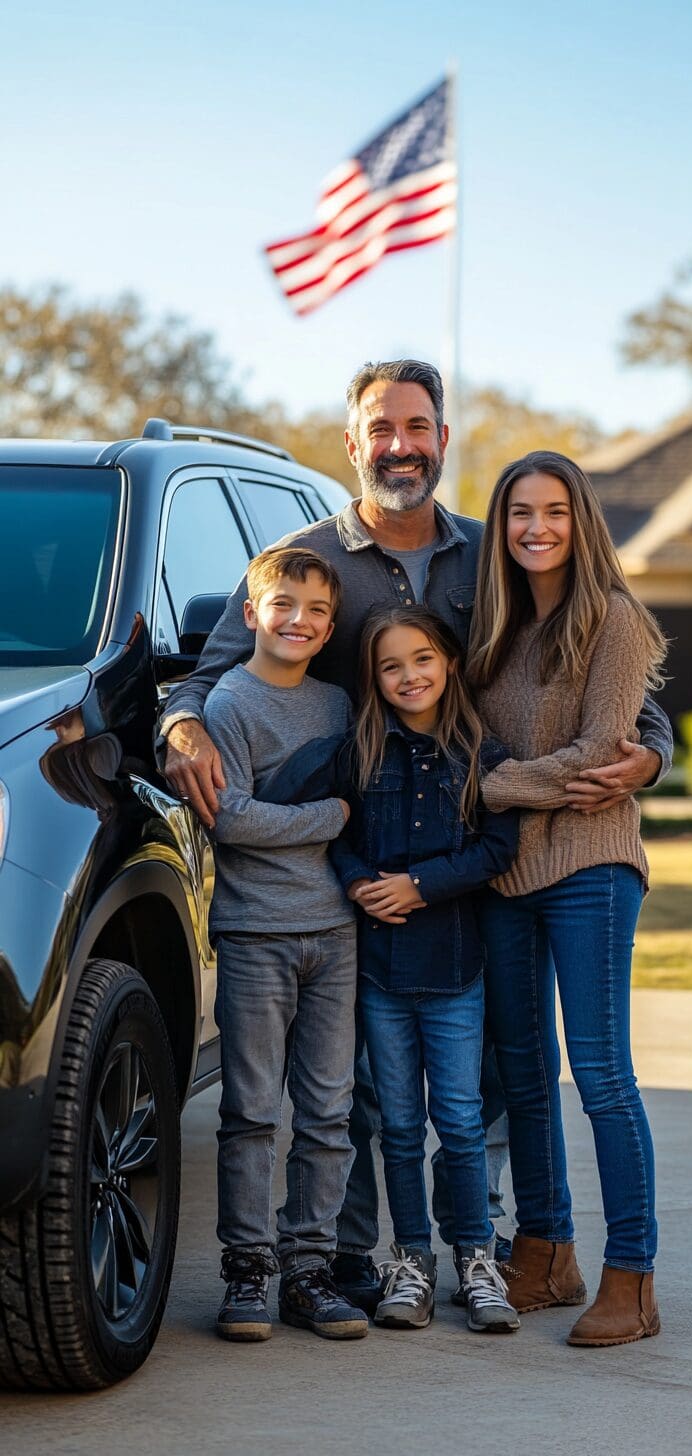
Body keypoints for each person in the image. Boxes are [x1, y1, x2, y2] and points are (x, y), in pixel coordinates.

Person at [158, 360, 673, 1311]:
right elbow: (208, 673)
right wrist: (180, 727)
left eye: (419, 426)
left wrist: (654, 748)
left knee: (488, 1082)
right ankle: (351, 1260)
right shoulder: (305, 558)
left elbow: (610, 676)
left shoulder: (495, 553)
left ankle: (489, 1247)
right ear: (352, 443)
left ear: (442, 439)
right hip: (355, 874)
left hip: (481, 858)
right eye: (381, 428)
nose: (401, 444)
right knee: (361, 1087)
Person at [261, 606, 521, 1334]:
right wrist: (355, 881)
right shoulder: (360, 751)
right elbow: (338, 830)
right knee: (399, 1125)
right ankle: (411, 1260)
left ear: (448, 664)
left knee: (461, 1122)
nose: (410, 676)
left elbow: (497, 850)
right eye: (391, 666)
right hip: (378, 975)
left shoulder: (483, 757)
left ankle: (474, 1257)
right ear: (373, 679)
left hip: (455, 970)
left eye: (423, 659)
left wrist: (422, 884)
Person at [468, 450, 668, 1346]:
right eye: (519, 513)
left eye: (553, 511)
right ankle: (545, 1253)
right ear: (500, 526)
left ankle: (633, 1278)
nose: (536, 528)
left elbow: (601, 753)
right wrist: (505, 787)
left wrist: (497, 787)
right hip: (506, 874)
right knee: (523, 1074)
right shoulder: (491, 628)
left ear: (579, 520)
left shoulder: (615, 620)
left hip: (592, 864)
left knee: (601, 1074)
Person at [204, 545, 368, 1342]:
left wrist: (335, 820)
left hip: (336, 933)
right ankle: (247, 1273)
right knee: (250, 1112)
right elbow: (230, 819)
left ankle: (308, 1269)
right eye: (283, 607)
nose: (298, 621)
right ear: (251, 615)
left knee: (330, 1111)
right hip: (254, 934)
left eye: (315, 612)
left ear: (329, 625)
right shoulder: (228, 705)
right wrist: (324, 821)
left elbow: (364, 801)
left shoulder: (339, 708)